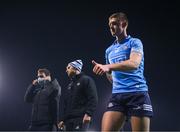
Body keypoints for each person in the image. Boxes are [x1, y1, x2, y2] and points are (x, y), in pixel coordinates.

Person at [92, 12, 153, 131]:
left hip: (137, 93)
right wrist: (105, 71)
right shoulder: (109, 50)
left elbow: (134, 63)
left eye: (114, 23)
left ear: (124, 24)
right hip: (117, 96)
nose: (111, 27)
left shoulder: (135, 42)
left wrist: (108, 67)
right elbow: (111, 76)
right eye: (109, 25)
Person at [58, 60, 98, 131]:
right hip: (68, 121)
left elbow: (93, 98)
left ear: (75, 68)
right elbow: (66, 104)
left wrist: (88, 114)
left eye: (68, 67)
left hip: (80, 119)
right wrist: (63, 120)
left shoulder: (86, 80)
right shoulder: (70, 85)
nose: (66, 70)